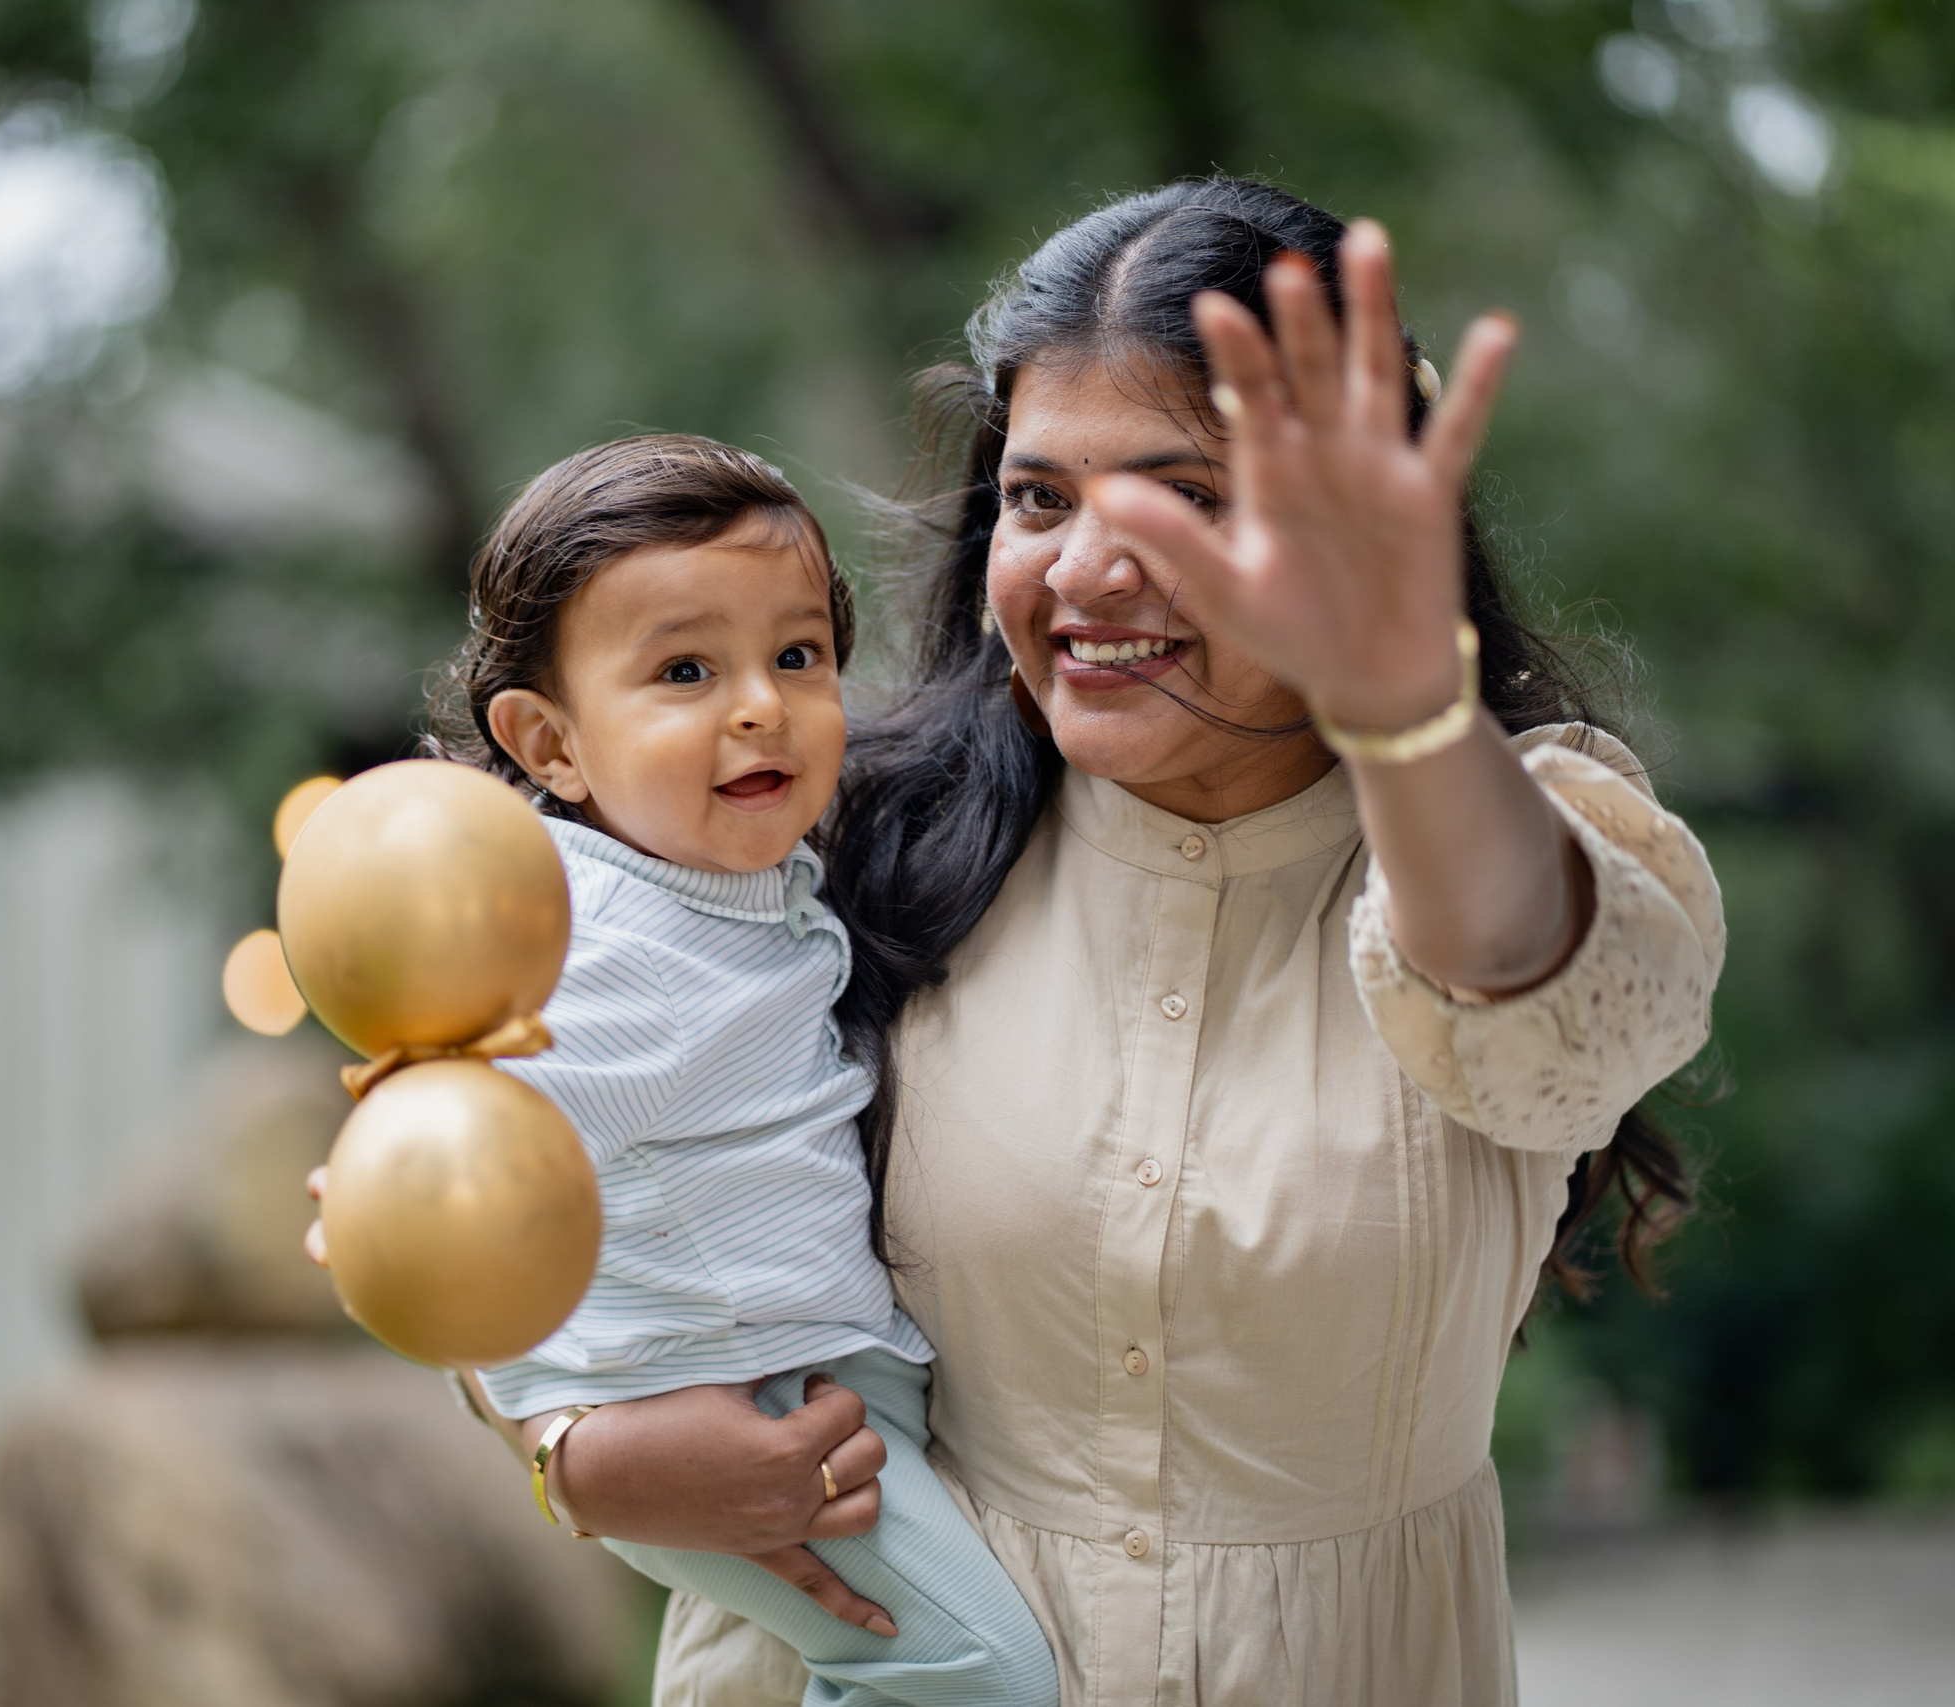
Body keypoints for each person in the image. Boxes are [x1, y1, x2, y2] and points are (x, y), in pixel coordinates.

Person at [370, 178, 1723, 1707]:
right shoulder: (828, 837)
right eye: (1039, 497)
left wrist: (1401, 703)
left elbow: (1541, 981)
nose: (1085, 570)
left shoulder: (1525, 834)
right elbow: (508, 1173)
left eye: (1186, 497)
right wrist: (573, 1450)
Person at [368, 433, 1062, 1707]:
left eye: (796, 656)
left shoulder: (738, 884)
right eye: (685, 669)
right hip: (725, 1409)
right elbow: (471, 1196)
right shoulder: (600, 948)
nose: (759, 703)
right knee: (984, 1679)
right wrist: (574, 1437)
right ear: (551, 745)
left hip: (801, 1376)